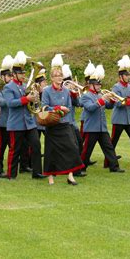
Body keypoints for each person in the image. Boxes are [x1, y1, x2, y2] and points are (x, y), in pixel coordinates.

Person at [41, 55, 85, 185]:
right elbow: (44, 107)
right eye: (56, 76)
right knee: (51, 151)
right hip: (52, 124)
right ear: (52, 78)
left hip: (65, 124)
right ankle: (50, 177)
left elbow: (70, 107)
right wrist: (57, 108)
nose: (59, 78)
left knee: (72, 148)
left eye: (60, 75)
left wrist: (65, 109)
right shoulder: (47, 91)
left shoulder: (66, 91)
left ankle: (70, 176)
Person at [3, 51, 44, 179]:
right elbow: (10, 103)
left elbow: (32, 102)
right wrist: (27, 99)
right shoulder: (8, 87)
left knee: (36, 145)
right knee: (15, 150)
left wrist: (36, 97)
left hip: (29, 122)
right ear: (14, 74)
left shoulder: (26, 86)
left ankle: (37, 172)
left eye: (24, 73)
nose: (23, 75)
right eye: (21, 73)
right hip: (16, 123)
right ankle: (11, 174)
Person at [79, 64, 125, 174]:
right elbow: (90, 108)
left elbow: (108, 106)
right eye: (97, 85)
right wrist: (101, 100)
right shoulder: (86, 96)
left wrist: (113, 100)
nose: (99, 87)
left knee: (109, 147)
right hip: (91, 127)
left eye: (99, 85)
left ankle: (114, 167)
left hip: (102, 127)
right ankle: (81, 168)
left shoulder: (100, 95)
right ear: (91, 85)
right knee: (87, 150)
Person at [109, 55, 130, 167]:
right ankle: (108, 161)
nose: (128, 77)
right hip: (119, 119)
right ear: (121, 76)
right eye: (126, 75)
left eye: (128, 75)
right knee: (113, 142)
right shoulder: (116, 87)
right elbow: (117, 103)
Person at [0, 56, 12, 168]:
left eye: (11, 75)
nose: (10, 78)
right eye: (8, 76)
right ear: (3, 77)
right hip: (3, 121)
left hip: (11, 120)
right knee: (2, 144)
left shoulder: (10, 88)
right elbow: (2, 102)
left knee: (12, 144)